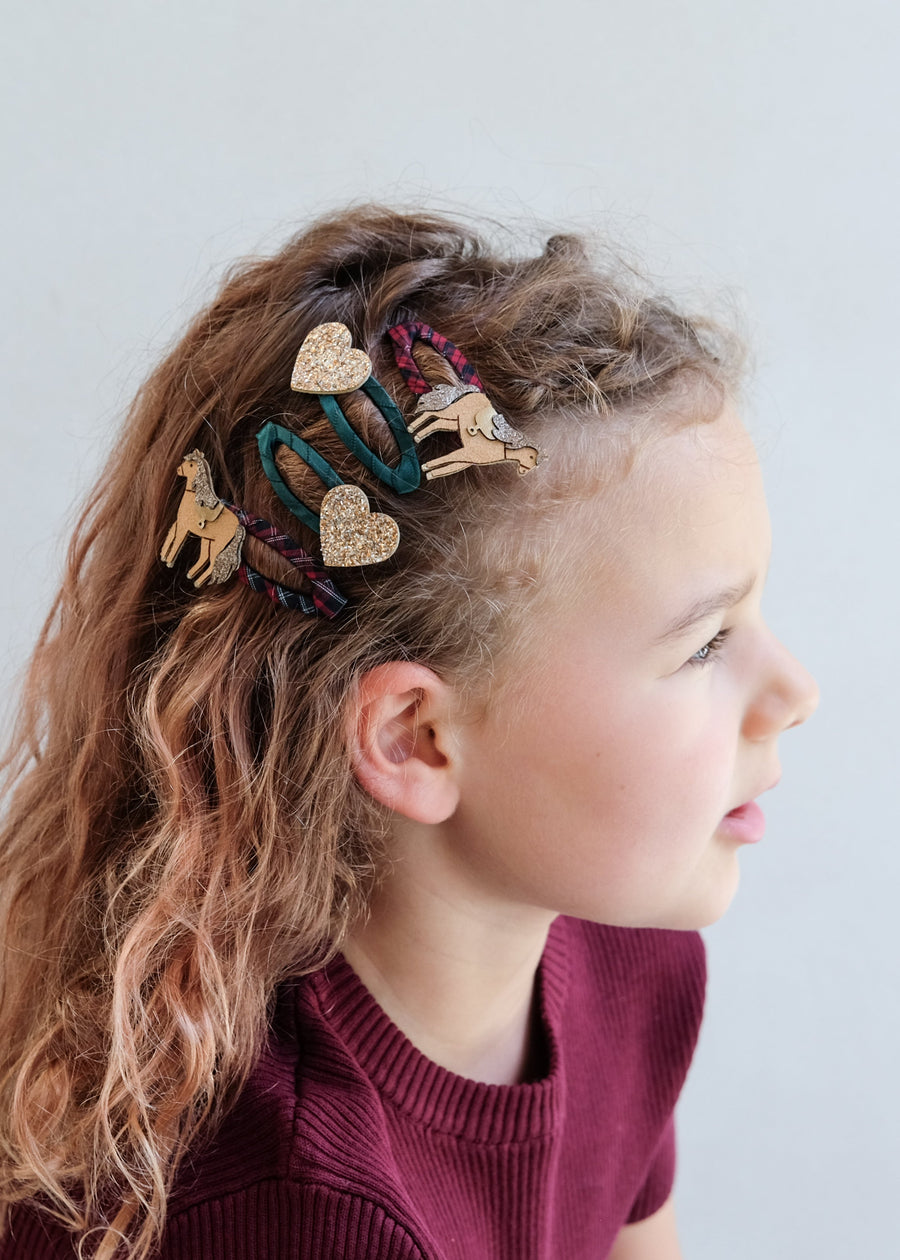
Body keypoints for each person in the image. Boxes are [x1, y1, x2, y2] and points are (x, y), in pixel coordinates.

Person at [0, 205, 819, 1260]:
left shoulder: (633, 968)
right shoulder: (295, 1209)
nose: (794, 690)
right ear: (416, 740)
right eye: (706, 645)